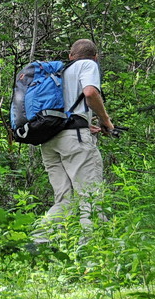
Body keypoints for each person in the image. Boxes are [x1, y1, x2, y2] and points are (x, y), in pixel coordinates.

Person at [33, 39, 115, 245]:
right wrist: (105, 120)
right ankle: (93, 255)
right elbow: (90, 92)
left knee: (65, 200)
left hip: (50, 139)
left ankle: (36, 245)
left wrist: (85, 124)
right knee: (91, 197)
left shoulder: (59, 73)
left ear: (70, 56)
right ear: (95, 57)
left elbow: (62, 110)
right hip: (74, 141)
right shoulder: (88, 65)